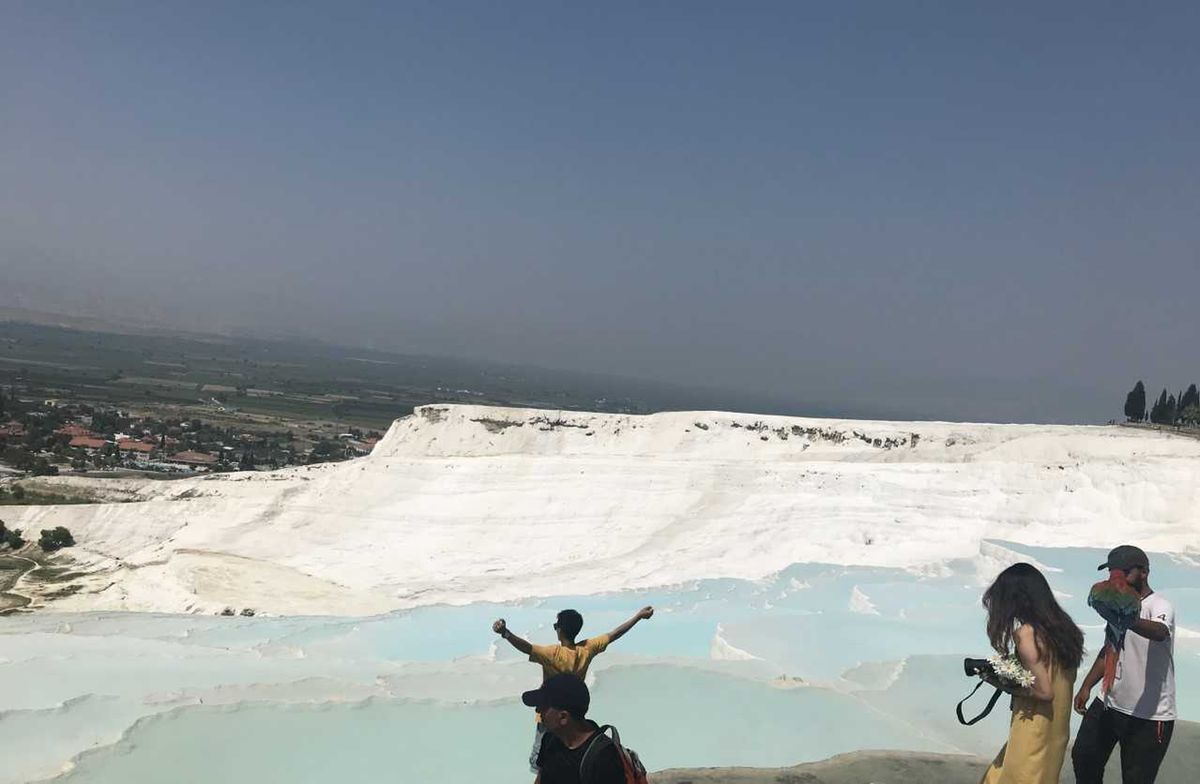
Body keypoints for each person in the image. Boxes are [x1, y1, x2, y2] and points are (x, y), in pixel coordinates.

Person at [493, 606, 654, 773]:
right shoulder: (587, 649)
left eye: (556, 626)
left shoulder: (552, 653)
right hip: (574, 717)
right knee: (571, 754)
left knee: (541, 761)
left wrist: (505, 633)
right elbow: (614, 634)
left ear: (560, 630)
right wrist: (638, 617)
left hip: (550, 715)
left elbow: (526, 647)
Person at [1072, 545, 1175, 784]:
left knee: (1136, 779)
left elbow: (1160, 632)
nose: (1115, 577)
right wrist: (1087, 686)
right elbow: (1111, 646)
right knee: (1084, 758)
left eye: (1124, 572)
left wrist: (1127, 619)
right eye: (1112, 571)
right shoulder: (1119, 603)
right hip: (1108, 704)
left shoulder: (1160, 605)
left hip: (1149, 716)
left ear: (1144, 572)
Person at [979, 562, 1085, 784]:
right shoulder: (1065, 630)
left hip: (1033, 729)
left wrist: (1006, 684)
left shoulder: (1026, 635)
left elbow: (1044, 692)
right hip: (1056, 730)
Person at [522, 673, 627, 784]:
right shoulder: (550, 740)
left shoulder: (604, 757)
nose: (538, 711)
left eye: (543, 707)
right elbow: (541, 778)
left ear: (563, 717)